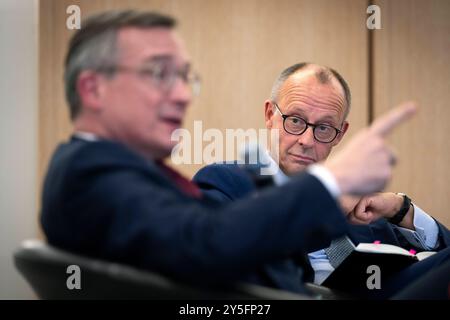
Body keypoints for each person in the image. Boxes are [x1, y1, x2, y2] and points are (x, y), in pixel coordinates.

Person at [41, 10, 416, 297]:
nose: (182, 95)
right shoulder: (90, 172)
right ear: (93, 90)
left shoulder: (131, 173)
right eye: (158, 74)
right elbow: (209, 245)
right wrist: (334, 180)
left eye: (185, 77)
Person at [193, 63, 450, 298]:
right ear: (270, 115)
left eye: (324, 128)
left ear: (341, 134)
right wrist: (323, 207)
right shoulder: (226, 182)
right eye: (295, 121)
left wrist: (399, 208)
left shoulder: (360, 202)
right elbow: (224, 257)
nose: (306, 141)